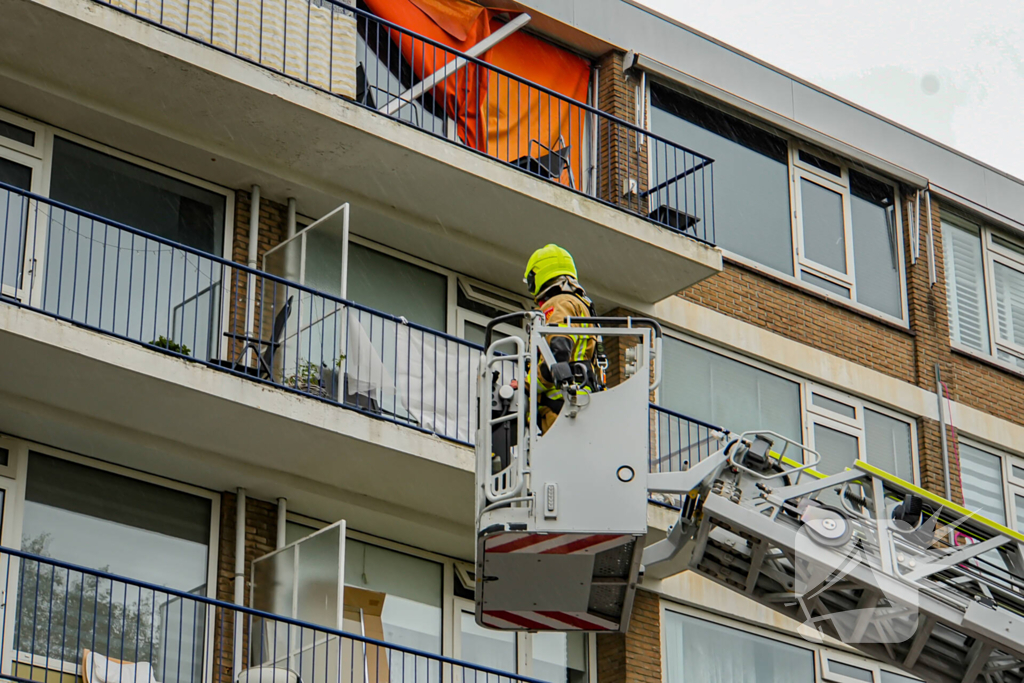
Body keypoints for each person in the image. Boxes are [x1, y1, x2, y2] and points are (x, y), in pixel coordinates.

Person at [523, 244, 604, 434]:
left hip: (560, 407)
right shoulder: (581, 305)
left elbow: (557, 353)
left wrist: (526, 386)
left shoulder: (557, 303)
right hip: (578, 404)